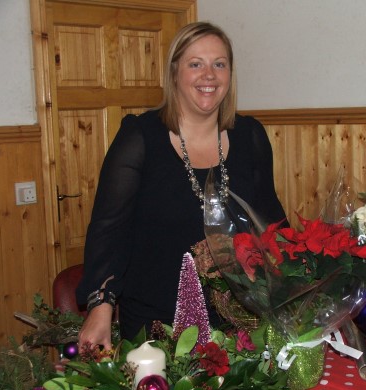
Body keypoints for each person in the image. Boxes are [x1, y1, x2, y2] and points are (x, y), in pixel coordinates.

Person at [76, 21, 287, 350]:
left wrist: (298, 281)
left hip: (241, 323)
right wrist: (100, 307)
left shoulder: (250, 136)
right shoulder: (140, 137)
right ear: (175, 73)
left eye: (219, 64)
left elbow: (271, 222)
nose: (209, 75)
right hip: (156, 325)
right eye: (195, 64)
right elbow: (108, 230)